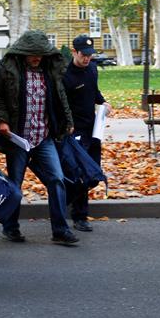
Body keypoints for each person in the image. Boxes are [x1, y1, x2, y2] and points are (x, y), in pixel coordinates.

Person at [0, 30, 79, 245]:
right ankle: (10, 228)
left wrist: (68, 121)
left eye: (40, 53)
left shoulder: (50, 69)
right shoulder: (8, 67)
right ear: (23, 53)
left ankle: (60, 230)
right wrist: (1, 120)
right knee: (15, 184)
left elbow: (61, 97)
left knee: (57, 179)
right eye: (33, 54)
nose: (37, 57)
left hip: (44, 137)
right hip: (18, 138)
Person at [63, 36, 112, 232]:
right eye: (84, 55)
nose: (87, 59)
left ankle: (63, 199)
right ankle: (80, 216)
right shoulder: (66, 75)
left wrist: (103, 102)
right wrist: (67, 124)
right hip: (75, 131)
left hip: (93, 128)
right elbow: (61, 103)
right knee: (81, 173)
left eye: (90, 55)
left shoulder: (92, 68)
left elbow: (94, 92)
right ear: (74, 52)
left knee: (93, 174)